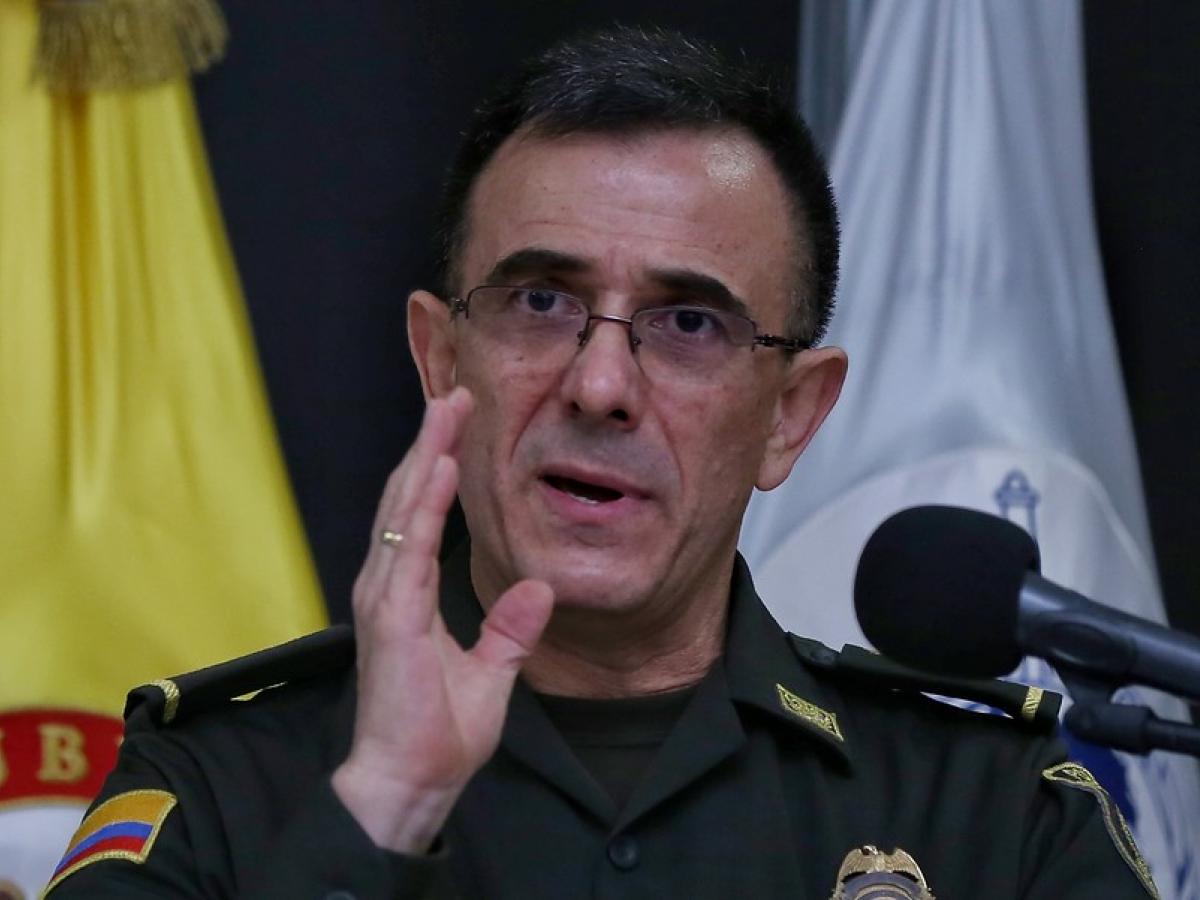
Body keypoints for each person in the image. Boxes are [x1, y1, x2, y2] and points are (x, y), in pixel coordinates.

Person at [45, 26, 1157, 900]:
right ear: (440, 358)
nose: (600, 385)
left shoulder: (995, 807)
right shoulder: (216, 781)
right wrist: (377, 813)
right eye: (541, 302)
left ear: (791, 415)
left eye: (690, 324)